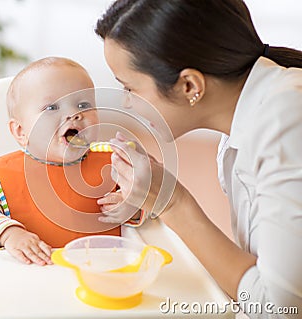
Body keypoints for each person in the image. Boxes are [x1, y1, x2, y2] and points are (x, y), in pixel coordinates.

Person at [95, 0, 302, 317]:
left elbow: (278, 307)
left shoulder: (286, 123)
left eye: (130, 88)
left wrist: (173, 203)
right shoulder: (246, 117)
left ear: (189, 85)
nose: (127, 104)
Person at [0, 57, 145, 266]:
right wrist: (10, 235)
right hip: (32, 278)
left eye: (83, 104)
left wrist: (130, 205)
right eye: (51, 108)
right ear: (21, 131)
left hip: (100, 274)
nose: (74, 114)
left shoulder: (112, 163)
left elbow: (148, 201)